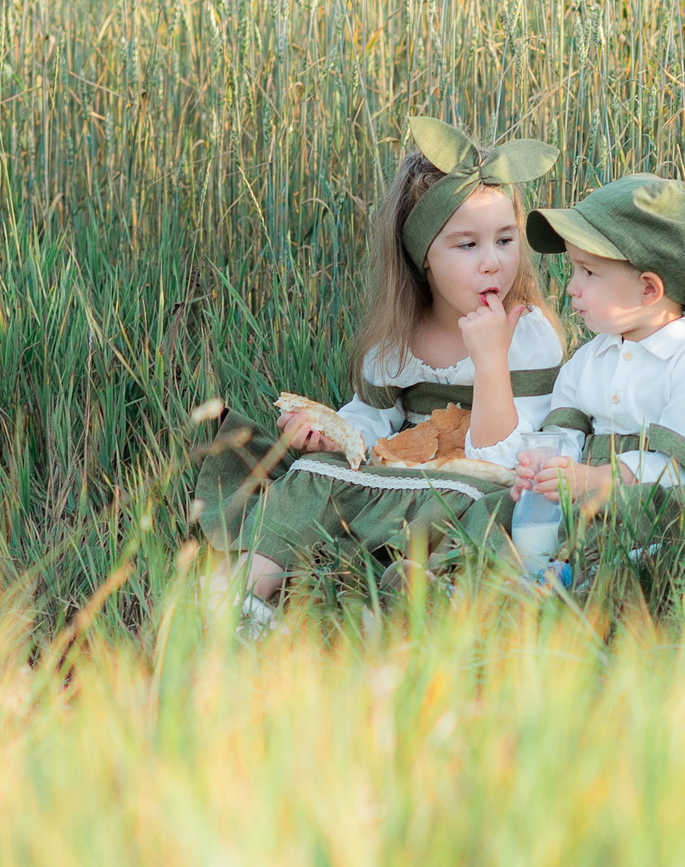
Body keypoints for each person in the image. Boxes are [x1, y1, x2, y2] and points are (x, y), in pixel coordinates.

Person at [198, 117, 567, 634]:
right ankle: (243, 598)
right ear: (424, 261)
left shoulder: (527, 337)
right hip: (401, 480)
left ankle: (419, 594)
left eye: (505, 240)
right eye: (467, 245)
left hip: (473, 485)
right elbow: (373, 419)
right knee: (307, 481)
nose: (493, 264)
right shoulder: (397, 342)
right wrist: (333, 436)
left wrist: (490, 361)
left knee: (488, 515)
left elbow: (505, 455)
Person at [463, 173, 685, 569]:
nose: (572, 288)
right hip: (582, 493)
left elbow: (684, 470)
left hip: (652, 506)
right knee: (494, 508)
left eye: (589, 272)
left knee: (669, 516)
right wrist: (544, 465)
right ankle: (459, 572)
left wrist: (596, 480)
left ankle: (562, 581)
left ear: (648, 289)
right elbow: (565, 433)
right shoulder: (589, 360)